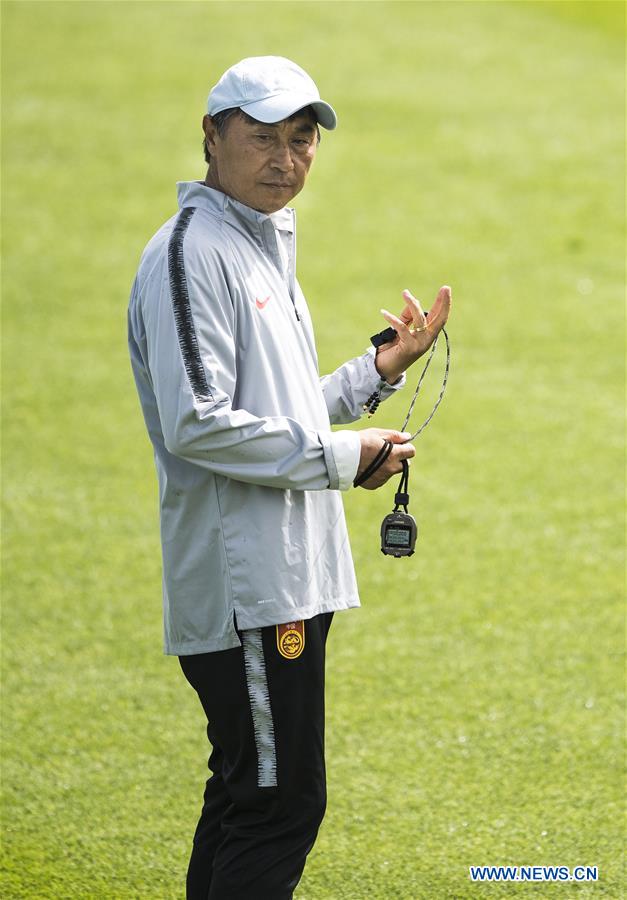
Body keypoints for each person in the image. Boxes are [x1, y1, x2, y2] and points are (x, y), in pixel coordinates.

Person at [128, 55, 451, 900]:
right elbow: (198, 423)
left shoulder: (257, 242)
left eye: (300, 140)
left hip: (286, 584)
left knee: (249, 793)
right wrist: (345, 458)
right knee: (278, 804)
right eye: (262, 137)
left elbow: (275, 409)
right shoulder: (193, 253)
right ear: (211, 135)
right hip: (249, 595)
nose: (284, 158)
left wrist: (375, 371)